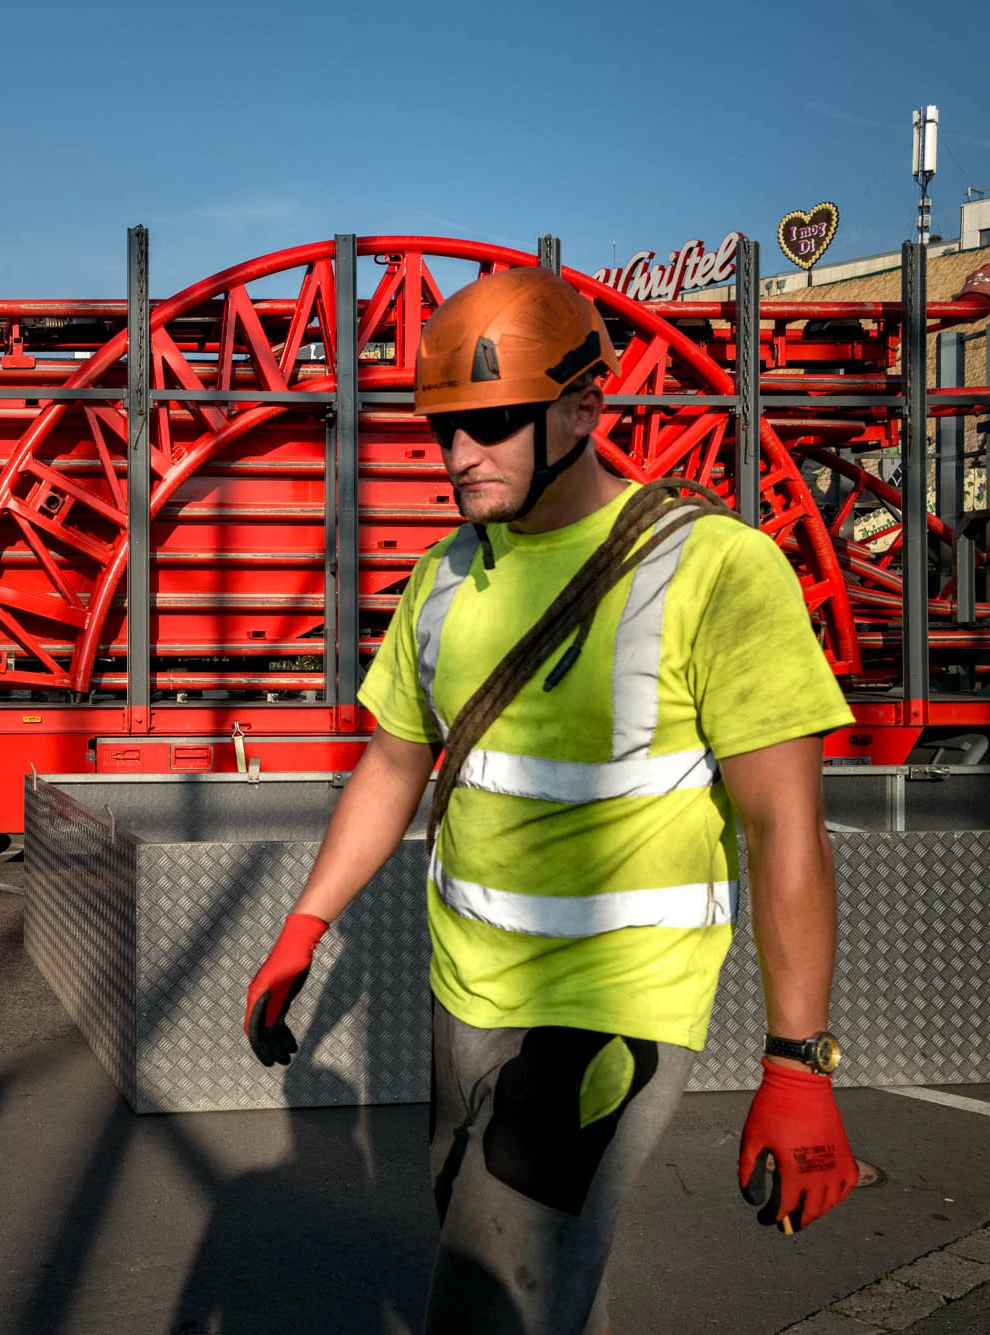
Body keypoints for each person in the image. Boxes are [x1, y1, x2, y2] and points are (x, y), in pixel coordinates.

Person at [242, 267, 860, 1335]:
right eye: (444, 428)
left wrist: (797, 1062)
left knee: (487, 1305)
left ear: (582, 409)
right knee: (539, 1290)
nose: (458, 455)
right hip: (464, 993)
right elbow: (391, 766)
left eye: (491, 424)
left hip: (612, 1011)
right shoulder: (445, 576)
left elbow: (783, 826)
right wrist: (304, 924)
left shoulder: (712, 570)